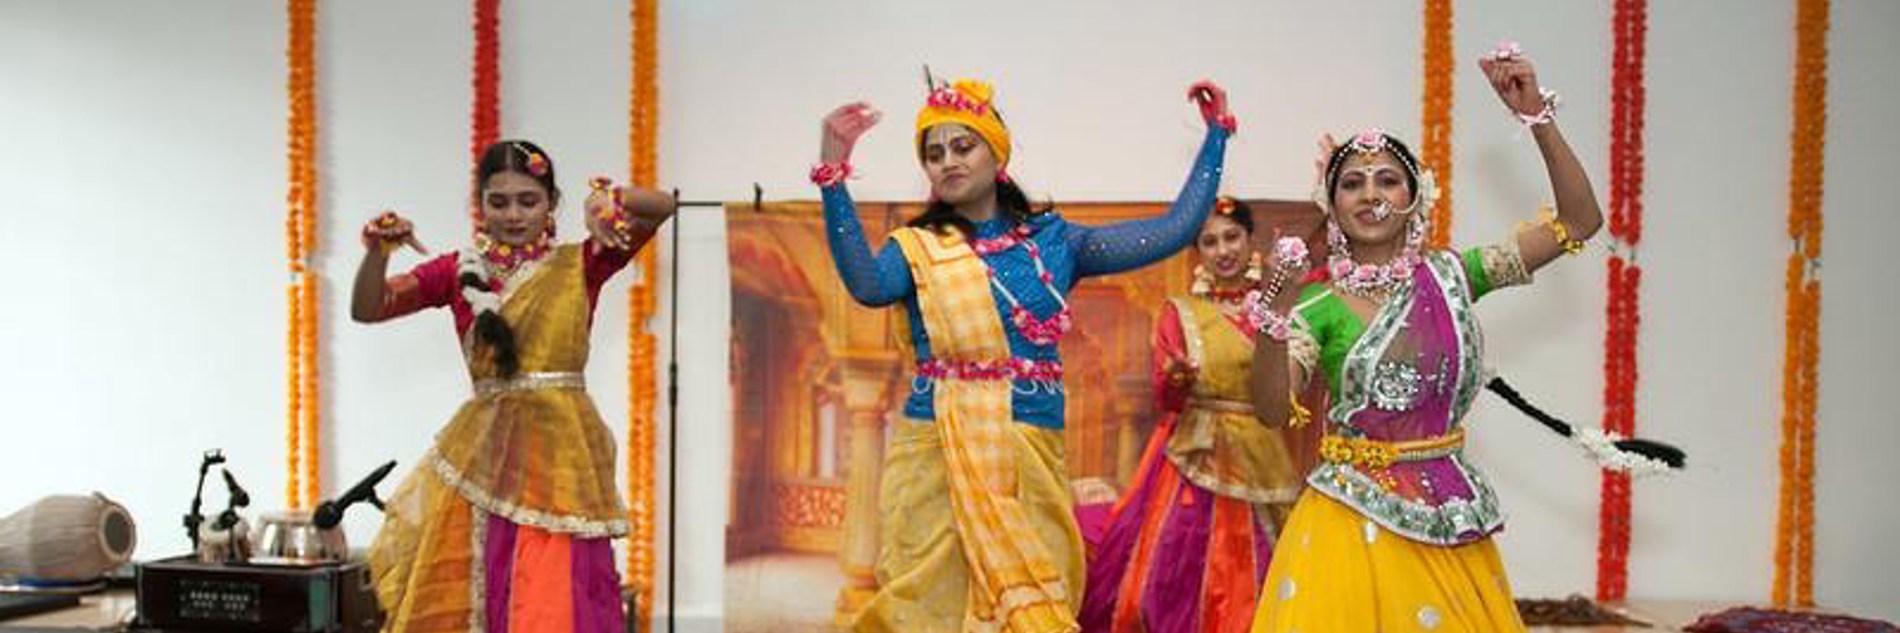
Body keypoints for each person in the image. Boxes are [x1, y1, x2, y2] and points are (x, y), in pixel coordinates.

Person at [813, 77, 1235, 632]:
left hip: (1030, 447)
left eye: (963, 146)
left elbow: (1174, 230)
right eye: (934, 154)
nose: (948, 162)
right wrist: (833, 172)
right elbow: (868, 286)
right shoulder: (916, 249)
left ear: (997, 154)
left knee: (1034, 600)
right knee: (929, 607)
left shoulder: (1054, 242)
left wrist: (1216, 136)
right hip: (936, 450)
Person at [1247, 46, 1603, 632]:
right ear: (1332, 205)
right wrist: (1274, 316)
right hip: (1347, 520)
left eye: (1388, 180)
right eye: (1353, 183)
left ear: (1415, 197)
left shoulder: (1455, 276)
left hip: (1446, 515)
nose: (1370, 193)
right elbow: (1269, 410)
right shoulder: (1315, 306)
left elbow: (1579, 222)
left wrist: (1536, 116)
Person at [352, 139, 675, 633]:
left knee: (551, 589)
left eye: (528, 200)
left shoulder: (583, 261)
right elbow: (368, 308)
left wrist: (606, 200)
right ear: (479, 205)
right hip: (486, 458)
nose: (513, 215)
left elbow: (663, 206)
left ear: (551, 203)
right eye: (498, 202)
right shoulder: (456, 271)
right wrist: (377, 253)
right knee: (481, 581)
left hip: (560, 460)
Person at [1080, 197, 1308, 633]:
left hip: (1260, 450)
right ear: (1198, 252)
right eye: (1210, 242)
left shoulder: (1276, 310)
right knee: (1176, 567)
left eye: (1232, 237)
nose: (1223, 250)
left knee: (1266, 564)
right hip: (1194, 454)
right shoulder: (1180, 312)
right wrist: (1177, 378)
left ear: (1250, 240)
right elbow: (1166, 399)